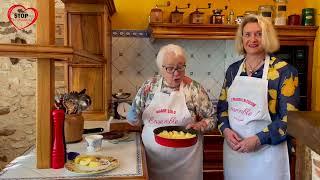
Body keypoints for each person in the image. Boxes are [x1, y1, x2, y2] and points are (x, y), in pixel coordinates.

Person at [217, 14, 299, 180]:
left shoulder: (284, 72)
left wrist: (258, 139)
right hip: (236, 154)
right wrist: (225, 130)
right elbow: (222, 108)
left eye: (259, 34)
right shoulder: (233, 70)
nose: (252, 39)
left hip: (269, 155)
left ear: (267, 37)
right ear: (242, 38)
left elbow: (289, 120)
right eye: (247, 34)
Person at [127, 44, 216, 180]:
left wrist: (200, 125)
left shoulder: (194, 89)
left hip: (186, 165)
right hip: (153, 161)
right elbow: (133, 119)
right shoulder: (149, 87)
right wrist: (133, 116)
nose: (176, 73)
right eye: (170, 68)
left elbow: (213, 118)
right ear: (161, 68)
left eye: (180, 67)